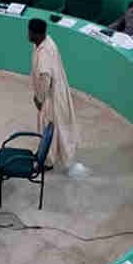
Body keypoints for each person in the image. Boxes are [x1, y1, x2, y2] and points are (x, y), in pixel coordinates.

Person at [28, 18, 87, 178]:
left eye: (30, 32)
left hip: (50, 96)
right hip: (54, 92)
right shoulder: (45, 42)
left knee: (49, 128)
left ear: (37, 33)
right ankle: (47, 154)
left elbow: (45, 77)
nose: (28, 34)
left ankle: (47, 160)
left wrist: (39, 98)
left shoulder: (45, 51)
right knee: (53, 127)